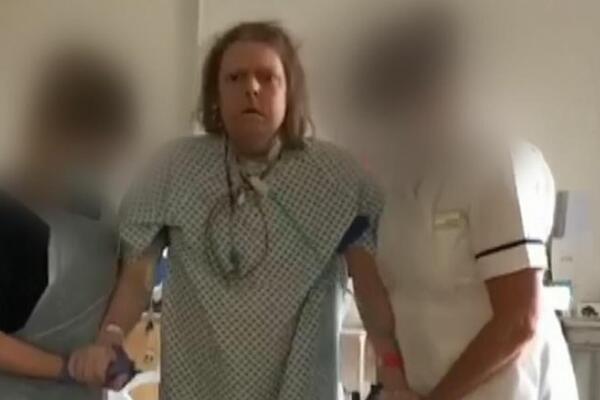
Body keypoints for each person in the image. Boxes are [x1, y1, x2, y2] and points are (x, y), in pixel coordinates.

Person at [69, 21, 411, 400]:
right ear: (215, 94)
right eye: (235, 78)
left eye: (267, 77)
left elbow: (370, 291)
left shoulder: (337, 178)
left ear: (290, 91)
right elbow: (137, 276)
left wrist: (393, 376)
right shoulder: (173, 169)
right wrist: (110, 338)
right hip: (197, 387)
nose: (251, 88)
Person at [354, 8, 579, 400]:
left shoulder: (499, 162)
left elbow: (519, 321)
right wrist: (395, 380)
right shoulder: (395, 182)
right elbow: (388, 297)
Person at [0, 48, 136, 399]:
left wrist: (112, 347)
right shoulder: (9, 213)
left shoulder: (104, 215)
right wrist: (67, 367)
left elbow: (131, 283)